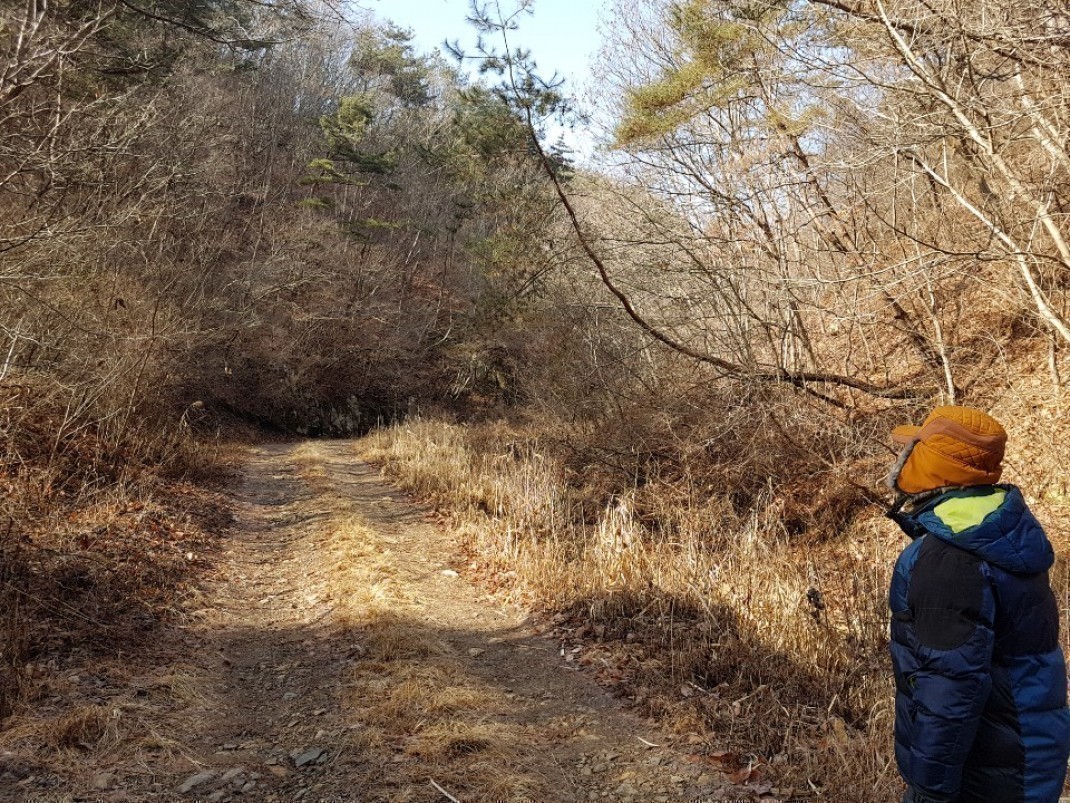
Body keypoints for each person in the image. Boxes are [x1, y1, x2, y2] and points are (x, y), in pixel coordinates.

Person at [885, 405, 1070, 803]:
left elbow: (949, 686)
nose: (900, 459)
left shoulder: (951, 558)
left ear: (930, 466)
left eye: (910, 450)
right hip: (1024, 752)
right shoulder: (996, 529)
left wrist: (928, 791)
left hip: (989, 770)